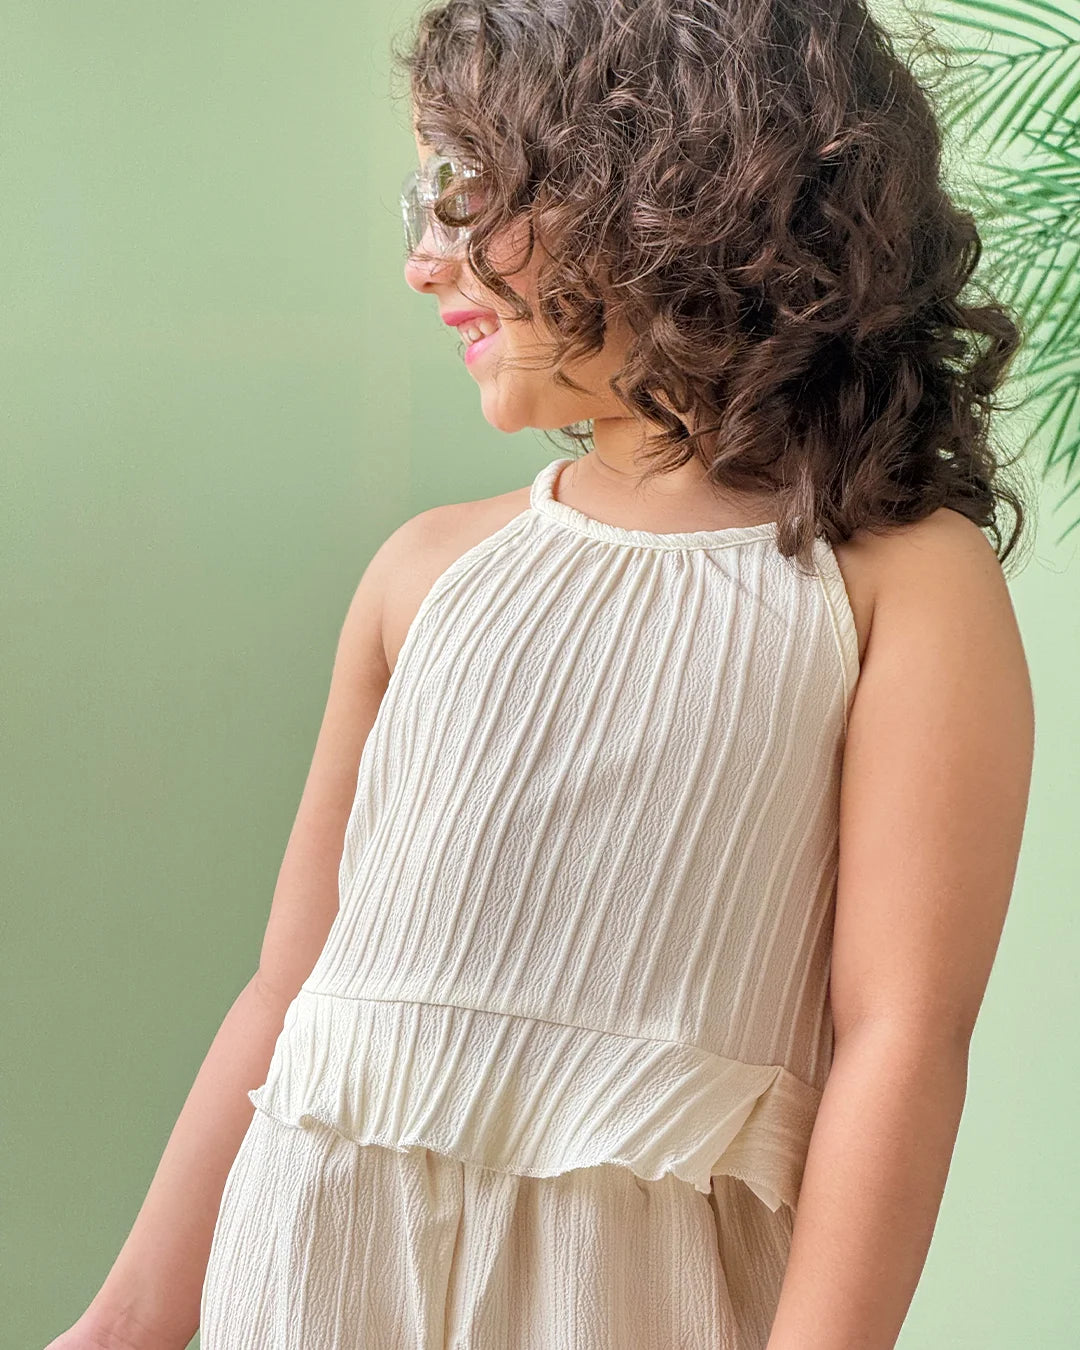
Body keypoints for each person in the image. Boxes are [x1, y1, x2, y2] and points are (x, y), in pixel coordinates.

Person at [51, 1, 1035, 1347]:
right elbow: (288, 994)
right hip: (308, 1276)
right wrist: (120, 1324)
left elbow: (901, 1036)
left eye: (465, 194)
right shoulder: (423, 575)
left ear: (671, 193)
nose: (418, 260)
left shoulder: (897, 580)